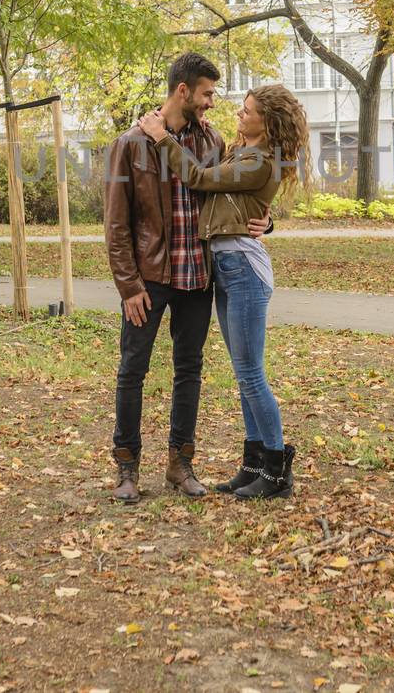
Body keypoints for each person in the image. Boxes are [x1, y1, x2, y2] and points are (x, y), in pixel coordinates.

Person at [103, 53, 266, 503]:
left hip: (198, 276)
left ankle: (180, 465)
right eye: (207, 93)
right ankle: (127, 469)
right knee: (132, 370)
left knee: (188, 370)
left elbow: (240, 189)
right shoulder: (132, 143)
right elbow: (116, 225)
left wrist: (264, 222)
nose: (212, 103)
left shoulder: (214, 143)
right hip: (150, 279)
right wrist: (129, 286)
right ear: (184, 91)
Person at [137, 83, 308, 501]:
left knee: (251, 374)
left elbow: (197, 177)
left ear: (267, 123)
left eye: (247, 111)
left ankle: (276, 470)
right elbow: (236, 203)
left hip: (244, 268)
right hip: (227, 266)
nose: (239, 114)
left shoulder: (260, 161)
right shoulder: (241, 151)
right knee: (243, 374)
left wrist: (161, 139)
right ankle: (252, 466)